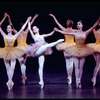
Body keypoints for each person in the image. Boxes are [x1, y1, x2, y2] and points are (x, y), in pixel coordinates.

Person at [54, 18, 99, 88]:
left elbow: (93, 26)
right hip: (75, 50)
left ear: (82, 25)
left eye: (79, 24)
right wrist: (58, 30)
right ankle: (77, 81)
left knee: (81, 67)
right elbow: (65, 33)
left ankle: (79, 80)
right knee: (76, 67)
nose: (77, 25)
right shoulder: (75, 32)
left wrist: (98, 20)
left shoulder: (85, 32)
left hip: (83, 50)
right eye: (77, 24)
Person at [27, 20, 64, 89]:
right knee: (46, 46)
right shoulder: (34, 36)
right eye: (33, 29)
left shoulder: (42, 36)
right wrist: (29, 21)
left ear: (38, 29)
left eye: (35, 28)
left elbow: (50, 34)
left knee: (41, 67)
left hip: (42, 53)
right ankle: (57, 41)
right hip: (36, 51)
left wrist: (53, 31)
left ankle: (41, 81)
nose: (34, 30)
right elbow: (29, 28)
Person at [0, 15, 31, 90]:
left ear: (11, 29)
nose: (8, 29)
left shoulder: (14, 36)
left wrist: (27, 20)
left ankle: (10, 81)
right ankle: (9, 81)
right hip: (5, 52)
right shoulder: (4, 36)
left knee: (12, 68)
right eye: (7, 28)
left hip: (13, 51)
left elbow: (22, 29)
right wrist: (4, 18)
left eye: (9, 28)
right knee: (7, 68)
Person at [7, 13, 39, 85]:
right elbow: (30, 24)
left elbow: (11, 25)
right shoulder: (25, 31)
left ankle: (23, 76)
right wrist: (34, 18)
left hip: (19, 48)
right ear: (23, 27)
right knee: (24, 63)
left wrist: (8, 18)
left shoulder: (17, 32)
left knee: (22, 63)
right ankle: (23, 76)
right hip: (25, 48)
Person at [49, 13, 77, 84]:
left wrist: (53, 16)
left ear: (67, 24)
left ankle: (69, 77)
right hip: (72, 46)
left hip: (66, 46)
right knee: (71, 62)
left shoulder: (64, 29)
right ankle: (70, 77)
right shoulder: (74, 31)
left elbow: (57, 23)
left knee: (67, 62)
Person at [86, 22, 100, 86]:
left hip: (95, 47)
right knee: (98, 65)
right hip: (98, 47)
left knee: (98, 65)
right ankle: (94, 78)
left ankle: (94, 78)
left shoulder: (94, 30)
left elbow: (93, 26)